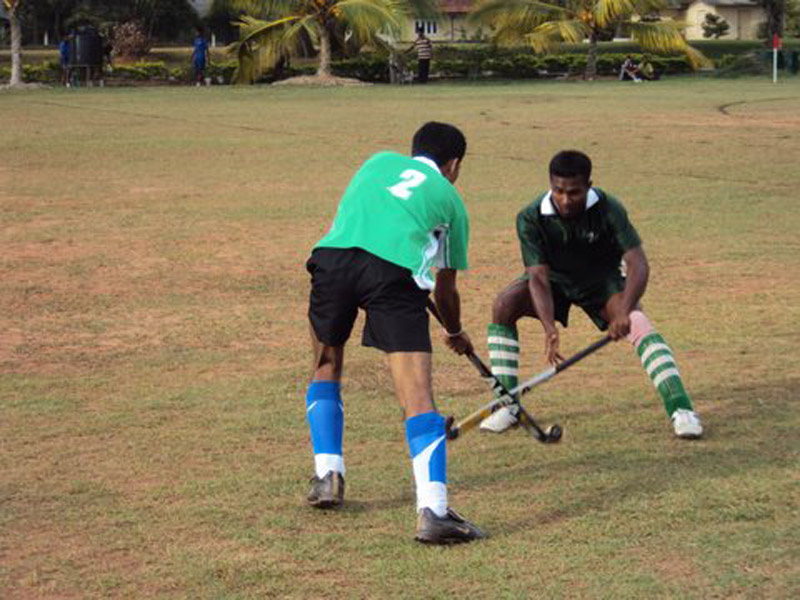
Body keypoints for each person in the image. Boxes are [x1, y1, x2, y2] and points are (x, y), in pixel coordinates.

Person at [304, 122, 485, 545]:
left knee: (326, 365)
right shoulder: (451, 200)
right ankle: (434, 512)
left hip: (332, 261)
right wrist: (455, 331)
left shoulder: (377, 162)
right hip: (393, 276)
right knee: (417, 396)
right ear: (454, 164)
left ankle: (327, 476)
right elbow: (445, 288)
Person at [479, 150, 703, 440]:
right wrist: (549, 327)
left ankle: (681, 409)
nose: (565, 199)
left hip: (601, 280)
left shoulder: (609, 208)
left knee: (637, 321)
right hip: (554, 281)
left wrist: (624, 311)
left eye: (574, 192)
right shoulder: (530, 217)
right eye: (558, 191)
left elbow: (638, 264)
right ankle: (508, 405)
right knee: (504, 304)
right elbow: (537, 277)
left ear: (588, 186)